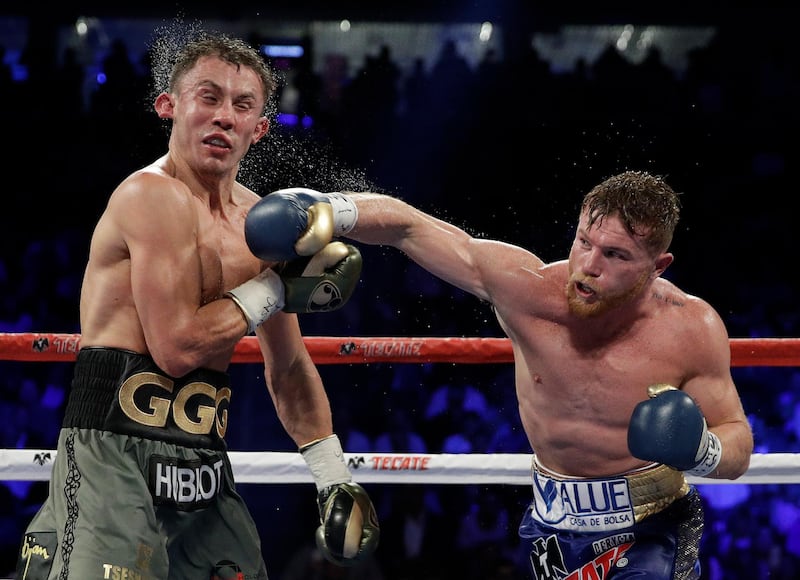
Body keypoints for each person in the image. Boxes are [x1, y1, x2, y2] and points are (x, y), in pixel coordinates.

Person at [245, 171, 754, 579]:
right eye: (584, 242)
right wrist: (329, 209)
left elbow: (737, 441)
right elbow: (409, 227)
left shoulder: (690, 327)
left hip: (653, 523)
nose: (588, 265)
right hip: (552, 523)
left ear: (657, 266)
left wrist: (703, 450)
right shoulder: (530, 292)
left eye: (616, 255)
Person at [16, 32, 378, 580]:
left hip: (202, 461)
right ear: (169, 106)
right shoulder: (149, 196)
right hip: (114, 451)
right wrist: (280, 285)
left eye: (242, 105)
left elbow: (288, 365)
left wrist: (331, 475)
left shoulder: (262, 224)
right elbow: (178, 346)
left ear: (259, 129)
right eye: (208, 97)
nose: (224, 117)